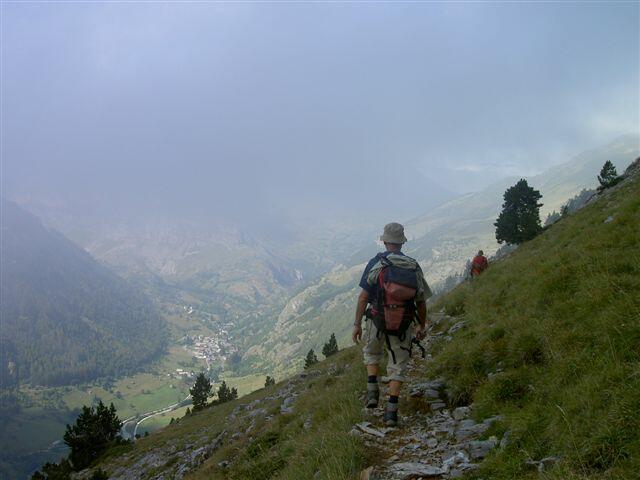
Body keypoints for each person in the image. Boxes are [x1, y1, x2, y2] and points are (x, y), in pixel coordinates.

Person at [352, 222, 431, 427]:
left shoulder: (377, 263)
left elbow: (363, 297)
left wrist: (357, 324)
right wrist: (421, 325)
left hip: (376, 320)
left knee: (371, 352)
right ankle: (391, 413)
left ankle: (372, 392)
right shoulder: (413, 266)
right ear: (402, 243)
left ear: (385, 241)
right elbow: (421, 301)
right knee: (399, 365)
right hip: (403, 323)